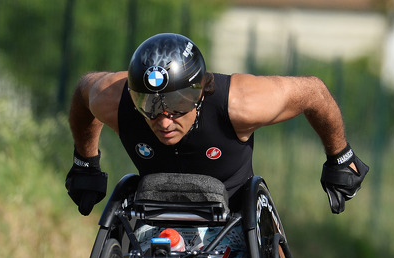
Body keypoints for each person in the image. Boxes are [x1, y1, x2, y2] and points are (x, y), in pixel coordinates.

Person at [65, 32, 368, 218]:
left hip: (234, 204)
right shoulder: (114, 99)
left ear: (198, 93)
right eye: (150, 106)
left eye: (176, 106)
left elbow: (313, 92)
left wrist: (340, 157)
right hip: (152, 206)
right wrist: (85, 162)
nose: (163, 120)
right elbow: (82, 92)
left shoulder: (241, 103)